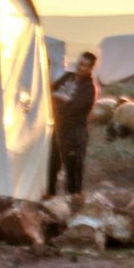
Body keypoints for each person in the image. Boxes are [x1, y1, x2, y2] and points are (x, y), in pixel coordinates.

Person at [47, 50, 98, 198]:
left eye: (83, 65)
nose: (78, 67)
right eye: (79, 63)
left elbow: (72, 108)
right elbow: (50, 90)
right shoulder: (68, 77)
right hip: (58, 128)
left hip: (74, 133)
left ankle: (74, 202)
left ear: (90, 69)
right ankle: (50, 199)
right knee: (51, 165)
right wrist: (59, 97)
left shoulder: (89, 88)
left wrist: (55, 99)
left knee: (73, 170)